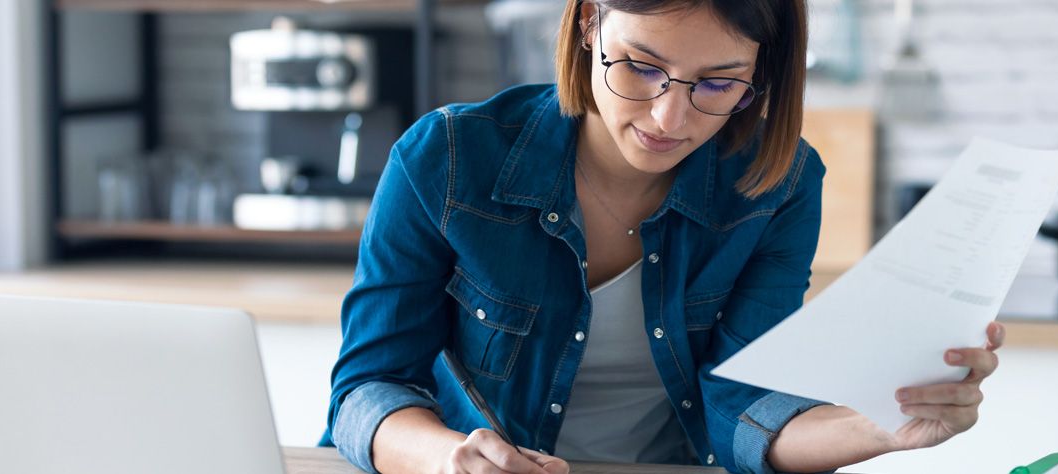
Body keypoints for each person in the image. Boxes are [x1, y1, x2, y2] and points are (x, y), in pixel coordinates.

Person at [320, 0, 1005, 473]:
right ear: (589, 21)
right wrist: (445, 457)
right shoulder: (447, 159)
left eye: (718, 83)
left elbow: (743, 405)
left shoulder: (780, 185)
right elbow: (368, 387)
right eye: (641, 66)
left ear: (760, 78)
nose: (669, 116)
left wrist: (882, 428)